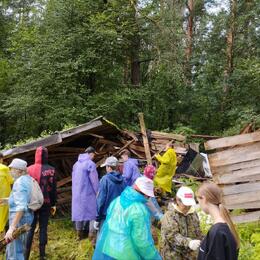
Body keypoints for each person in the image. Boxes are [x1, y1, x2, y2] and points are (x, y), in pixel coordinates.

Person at [93, 176, 161, 260]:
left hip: (109, 248)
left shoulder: (117, 200)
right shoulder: (139, 210)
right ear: (146, 194)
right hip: (126, 254)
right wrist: (154, 257)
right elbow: (141, 242)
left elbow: (108, 224)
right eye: (148, 196)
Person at [25, 147, 57, 260]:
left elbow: (26, 188)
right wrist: (53, 203)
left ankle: (26, 255)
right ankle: (42, 256)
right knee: (43, 228)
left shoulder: (28, 169)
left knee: (30, 228)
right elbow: (53, 189)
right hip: (46, 203)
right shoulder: (51, 170)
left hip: (32, 203)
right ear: (46, 155)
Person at [196, 182, 239, 260]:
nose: (199, 205)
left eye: (198, 201)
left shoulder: (217, 232)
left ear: (204, 199)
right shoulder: (225, 227)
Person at [2, 158, 33, 260]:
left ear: (19, 170)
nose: (10, 171)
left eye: (12, 169)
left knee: (14, 252)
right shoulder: (27, 179)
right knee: (19, 249)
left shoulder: (19, 183)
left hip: (19, 219)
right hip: (26, 217)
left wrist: (11, 228)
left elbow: (21, 207)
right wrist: (6, 200)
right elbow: (22, 198)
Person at [160, 186, 202, 260]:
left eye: (189, 204)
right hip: (173, 255)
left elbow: (197, 231)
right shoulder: (170, 215)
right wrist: (188, 242)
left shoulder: (192, 213)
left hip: (189, 254)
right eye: (185, 204)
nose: (187, 206)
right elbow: (172, 236)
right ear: (178, 200)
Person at [71, 146, 99, 241]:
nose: (94, 157)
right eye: (94, 155)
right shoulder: (90, 164)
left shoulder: (76, 164)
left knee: (79, 213)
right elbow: (94, 180)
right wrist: (97, 191)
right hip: (88, 193)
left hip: (77, 193)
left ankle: (79, 235)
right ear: (91, 154)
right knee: (92, 212)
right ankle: (91, 235)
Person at [94, 156, 126, 232]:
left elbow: (101, 200)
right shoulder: (123, 180)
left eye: (106, 166)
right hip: (120, 214)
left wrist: (97, 218)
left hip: (107, 216)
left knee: (105, 240)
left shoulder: (105, 180)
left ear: (109, 167)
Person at [0, 152, 13, 235]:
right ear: (1, 159)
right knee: (6, 218)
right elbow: (11, 180)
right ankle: (7, 241)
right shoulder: (4, 168)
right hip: (4, 198)